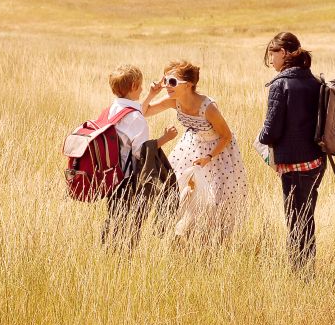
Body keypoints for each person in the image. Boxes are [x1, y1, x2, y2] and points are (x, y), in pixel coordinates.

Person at [144, 60, 247, 243]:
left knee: (214, 200)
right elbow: (144, 112)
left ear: (189, 84)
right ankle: (184, 238)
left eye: (173, 82)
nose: (167, 85)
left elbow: (226, 136)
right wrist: (152, 94)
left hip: (217, 152)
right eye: (166, 80)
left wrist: (208, 157)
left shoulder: (208, 108)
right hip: (191, 146)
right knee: (181, 192)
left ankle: (211, 244)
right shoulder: (173, 101)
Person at [259, 32, 325, 273]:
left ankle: (301, 275)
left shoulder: (280, 84)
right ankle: (306, 271)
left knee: (295, 221)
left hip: (294, 164)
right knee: (306, 217)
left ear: (284, 53)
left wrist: (261, 137)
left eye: (272, 54)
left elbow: (271, 132)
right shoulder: (315, 82)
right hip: (316, 162)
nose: (271, 60)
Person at [102, 64, 178, 249]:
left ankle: (107, 251)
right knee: (131, 224)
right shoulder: (137, 120)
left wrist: (152, 94)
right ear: (135, 85)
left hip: (112, 175)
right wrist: (165, 139)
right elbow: (142, 152)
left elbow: (136, 112)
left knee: (114, 217)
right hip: (129, 179)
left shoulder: (114, 108)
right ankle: (123, 257)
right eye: (142, 85)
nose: (144, 88)